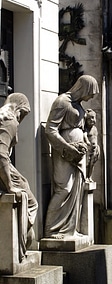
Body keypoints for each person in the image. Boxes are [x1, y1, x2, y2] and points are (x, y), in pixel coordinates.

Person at [44, 75, 99, 239]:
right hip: (64, 154)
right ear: (83, 88)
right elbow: (50, 130)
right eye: (91, 92)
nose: (91, 97)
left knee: (76, 191)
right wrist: (67, 148)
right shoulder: (62, 102)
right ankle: (51, 230)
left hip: (78, 155)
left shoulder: (78, 105)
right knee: (64, 189)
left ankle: (69, 230)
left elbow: (83, 130)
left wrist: (86, 144)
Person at [0, 93, 38, 262]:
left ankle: (23, 243)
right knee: (30, 201)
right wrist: (9, 186)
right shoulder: (9, 120)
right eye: (22, 114)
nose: (21, 119)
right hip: (2, 168)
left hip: (5, 166)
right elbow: (1, 154)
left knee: (25, 187)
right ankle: (21, 246)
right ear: (17, 108)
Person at [84, 109, 100, 182]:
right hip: (88, 149)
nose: (92, 120)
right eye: (89, 118)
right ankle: (85, 177)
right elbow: (84, 136)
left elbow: (95, 138)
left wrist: (96, 146)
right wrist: (87, 142)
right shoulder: (85, 129)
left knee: (92, 164)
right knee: (86, 163)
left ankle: (89, 177)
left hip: (94, 149)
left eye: (93, 117)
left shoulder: (95, 129)